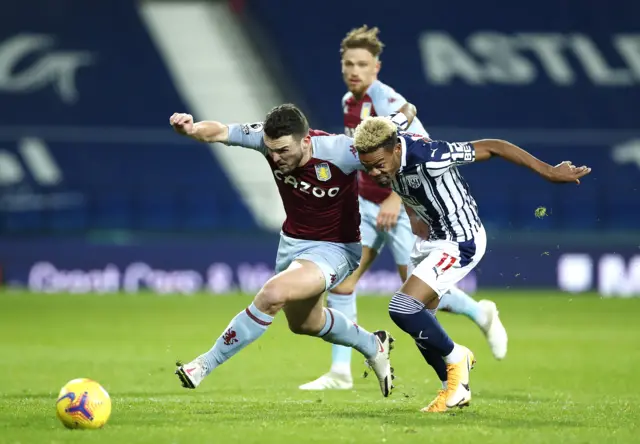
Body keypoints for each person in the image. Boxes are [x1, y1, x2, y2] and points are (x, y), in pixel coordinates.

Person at [300, 25, 507, 392]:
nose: (354, 71)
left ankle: (479, 313)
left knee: (414, 292)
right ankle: (340, 371)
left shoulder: (389, 102)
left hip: (397, 206)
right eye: (348, 63)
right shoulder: (349, 103)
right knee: (343, 283)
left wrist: (399, 200)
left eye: (362, 64)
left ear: (376, 67)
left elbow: (416, 148)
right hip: (366, 203)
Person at [352, 115, 591, 412]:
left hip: (460, 241)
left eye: (379, 164)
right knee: (422, 323)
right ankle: (453, 389)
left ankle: (457, 357)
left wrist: (549, 172)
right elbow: (402, 114)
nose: (374, 173)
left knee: (402, 307)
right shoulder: (385, 139)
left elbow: (495, 146)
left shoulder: (431, 157)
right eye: (368, 167)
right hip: (430, 241)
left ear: (396, 150)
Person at [168, 104, 395, 397]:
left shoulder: (340, 150)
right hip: (292, 245)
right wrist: (192, 129)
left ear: (306, 141)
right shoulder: (268, 142)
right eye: (271, 150)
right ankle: (371, 345)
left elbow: (389, 159)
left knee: (272, 295)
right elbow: (222, 131)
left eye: (284, 151)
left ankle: (202, 365)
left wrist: (396, 199)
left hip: (337, 249)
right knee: (305, 323)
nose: (275, 157)